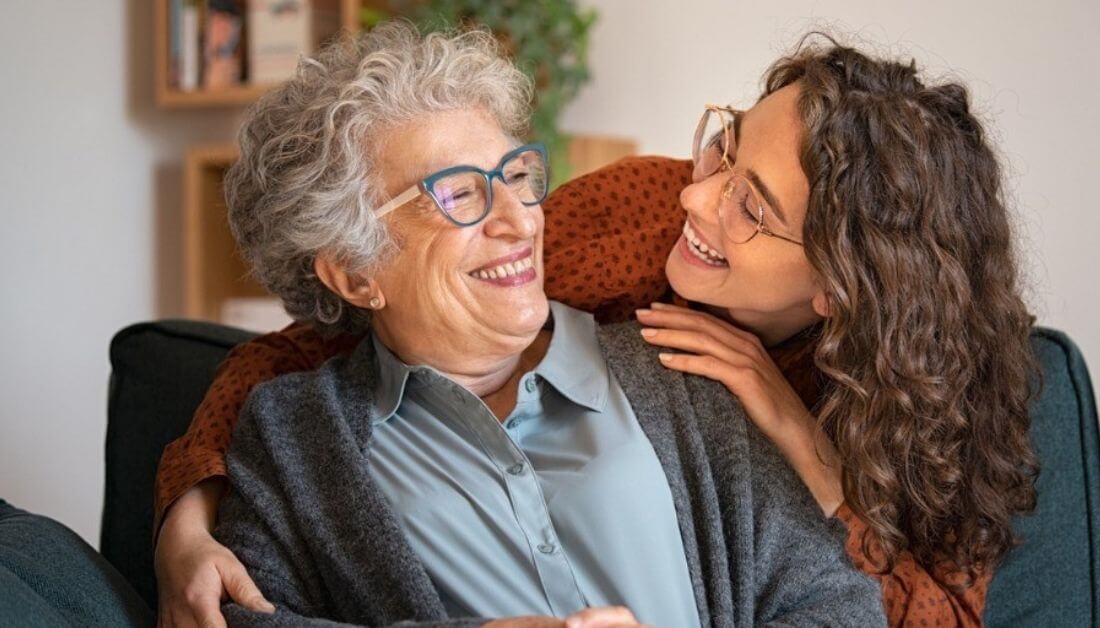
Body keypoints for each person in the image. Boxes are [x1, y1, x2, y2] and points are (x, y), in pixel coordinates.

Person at [155, 29, 1038, 628]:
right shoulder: (642, 224)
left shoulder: (710, 394)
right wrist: (186, 513)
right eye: (724, 148)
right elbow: (312, 342)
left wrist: (808, 454)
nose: (696, 196)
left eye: (750, 207)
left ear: (840, 289)